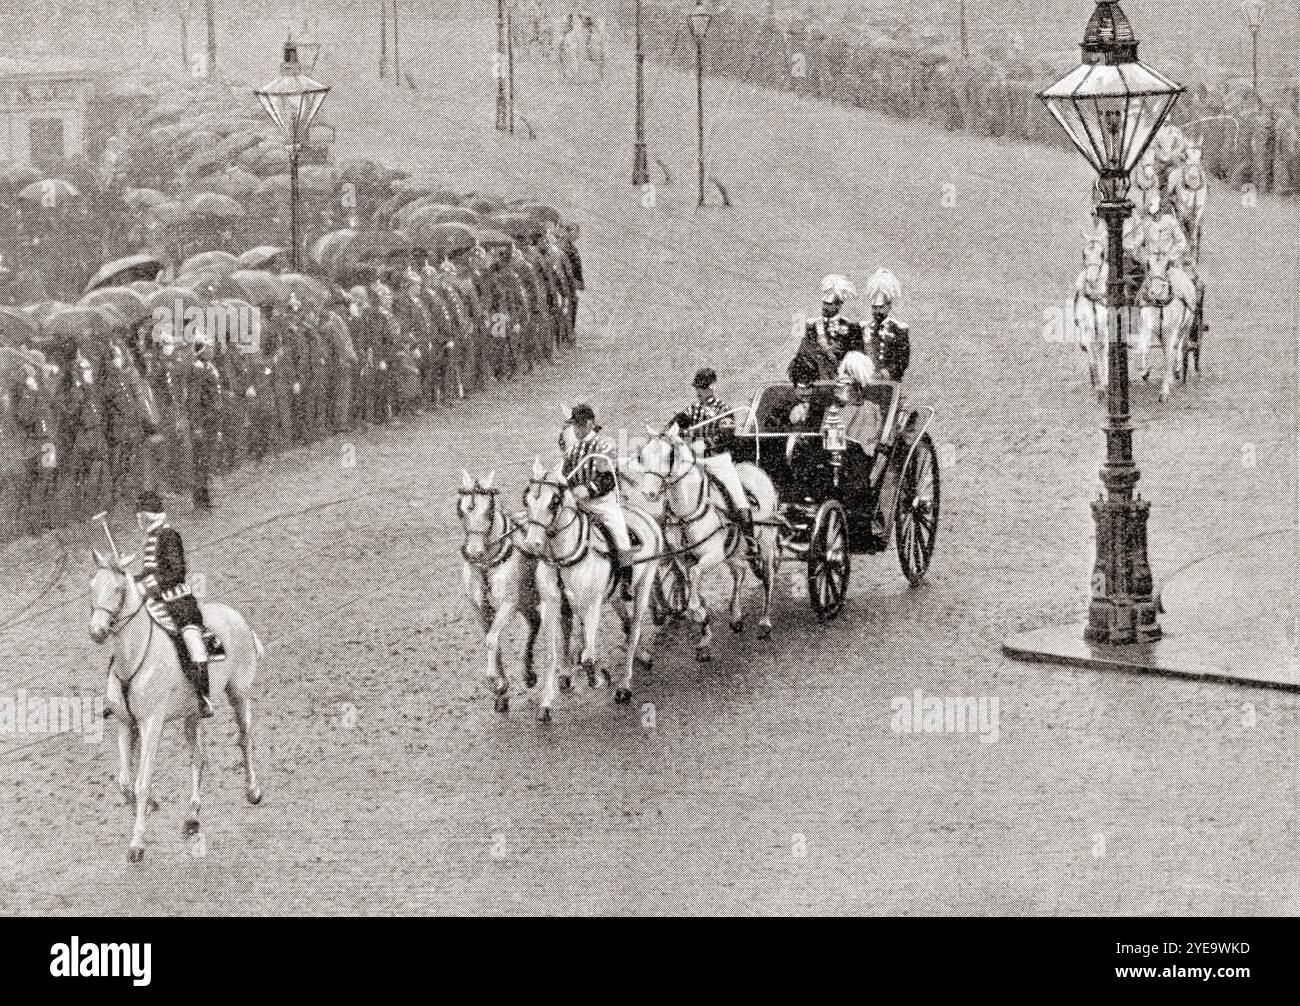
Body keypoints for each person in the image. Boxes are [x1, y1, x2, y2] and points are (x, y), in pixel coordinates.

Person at [134, 492, 222, 718]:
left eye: (141, 516)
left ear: (149, 515)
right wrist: (132, 581)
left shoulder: (169, 535)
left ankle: (203, 698)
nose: (139, 521)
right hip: (155, 603)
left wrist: (152, 585)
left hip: (178, 603)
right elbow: (149, 572)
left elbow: (176, 572)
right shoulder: (151, 539)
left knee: (193, 644)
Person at [671, 367, 754, 546]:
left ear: (713, 387)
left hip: (718, 461)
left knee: (737, 495)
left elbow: (726, 435)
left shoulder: (724, 410)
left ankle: (750, 542)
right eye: (698, 388)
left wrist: (706, 443)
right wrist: (675, 426)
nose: (699, 392)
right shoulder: (692, 410)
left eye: (703, 388)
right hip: (696, 461)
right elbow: (677, 426)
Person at [562, 403, 634, 601]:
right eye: (574, 426)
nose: (575, 430)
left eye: (578, 425)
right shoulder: (572, 452)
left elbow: (608, 479)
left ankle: (626, 582)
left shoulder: (605, 447)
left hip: (602, 504)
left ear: (589, 424)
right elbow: (565, 476)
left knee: (620, 534)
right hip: (577, 504)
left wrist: (587, 489)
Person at [186, 324, 224, 510]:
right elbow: (193, 401)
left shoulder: (208, 367)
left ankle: (204, 496)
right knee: (201, 460)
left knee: (206, 459)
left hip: (212, 418)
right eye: (208, 347)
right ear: (201, 349)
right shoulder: (196, 370)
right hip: (204, 419)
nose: (211, 350)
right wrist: (197, 426)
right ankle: (200, 499)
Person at [801, 273, 864, 379]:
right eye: (824, 303)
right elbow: (806, 352)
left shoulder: (851, 327)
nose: (825, 307)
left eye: (830, 304)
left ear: (839, 305)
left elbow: (857, 357)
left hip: (843, 378)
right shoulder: (812, 326)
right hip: (819, 377)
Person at [863, 267, 911, 382]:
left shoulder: (898, 330)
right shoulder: (864, 328)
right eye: (874, 308)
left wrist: (888, 372)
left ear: (889, 307)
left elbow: (902, 360)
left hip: (890, 384)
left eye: (881, 307)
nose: (877, 311)